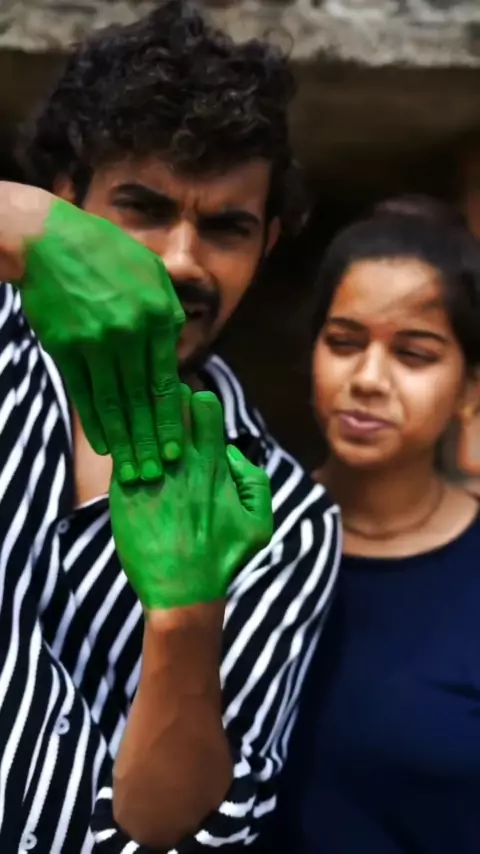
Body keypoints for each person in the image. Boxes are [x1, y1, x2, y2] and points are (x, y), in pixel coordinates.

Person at [0, 2, 341, 853]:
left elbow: (192, 832)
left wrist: (185, 617)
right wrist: (20, 225)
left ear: (267, 245)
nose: (182, 260)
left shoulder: (286, 517)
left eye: (226, 228)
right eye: (142, 208)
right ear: (68, 200)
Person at [265, 198, 480, 853]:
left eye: (413, 355)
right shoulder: (245, 536)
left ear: (470, 390)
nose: (368, 379)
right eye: (344, 343)